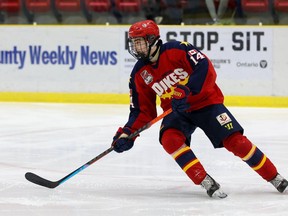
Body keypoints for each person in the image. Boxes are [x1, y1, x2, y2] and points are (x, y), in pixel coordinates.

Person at [111, 20, 288, 198]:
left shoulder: (177, 49)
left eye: (139, 42)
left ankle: (275, 177)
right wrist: (127, 133)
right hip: (177, 111)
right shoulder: (138, 74)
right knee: (169, 139)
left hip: (205, 102)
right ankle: (204, 179)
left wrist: (188, 89)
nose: (136, 47)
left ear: (152, 40)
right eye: (133, 43)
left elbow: (205, 67)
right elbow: (142, 110)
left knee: (236, 142)